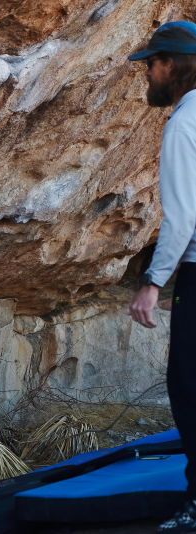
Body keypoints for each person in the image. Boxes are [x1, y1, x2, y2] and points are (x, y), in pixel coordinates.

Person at [128, 20, 196, 534]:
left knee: (188, 387)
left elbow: (182, 218)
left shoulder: (184, 123)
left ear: (171, 65)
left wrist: (153, 283)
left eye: (151, 63)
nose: (147, 73)